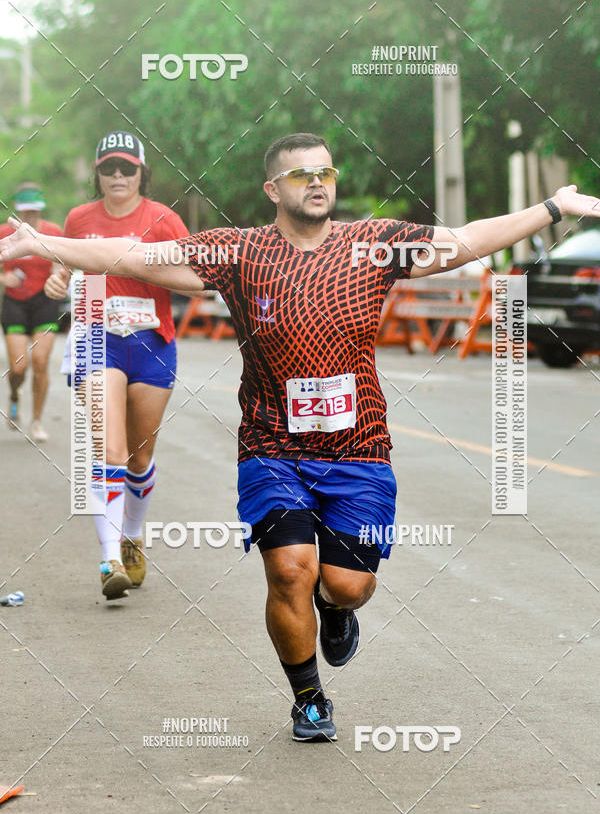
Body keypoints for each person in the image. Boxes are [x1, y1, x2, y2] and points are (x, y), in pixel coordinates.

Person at [3, 132, 599, 739]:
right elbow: (130, 257)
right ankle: (309, 697)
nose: (317, 182)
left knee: (347, 583)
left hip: (359, 446)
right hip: (271, 446)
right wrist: (41, 241)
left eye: (325, 172)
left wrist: (552, 209)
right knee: (290, 570)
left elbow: (468, 240)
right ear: (272, 189)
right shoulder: (238, 252)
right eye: (300, 175)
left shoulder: (373, 243)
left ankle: (338, 611)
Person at [43, 131, 193, 601]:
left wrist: (147, 268)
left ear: (142, 172)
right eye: (109, 168)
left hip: (152, 342)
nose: (118, 177)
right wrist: (56, 277)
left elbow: (196, 275)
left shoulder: (164, 219)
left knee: (139, 458)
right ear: (98, 173)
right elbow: (64, 264)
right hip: (95, 339)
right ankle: (109, 558)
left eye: (127, 168)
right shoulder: (79, 218)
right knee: (110, 449)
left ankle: (131, 535)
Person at [0, 183, 63, 442]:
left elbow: (64, 265)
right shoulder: (4, 232)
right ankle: (14, 395)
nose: (30, 218)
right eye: (25, 212)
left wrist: (59, 275)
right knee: (18, 367)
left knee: (39, 361)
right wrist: (3, 278)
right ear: (18, 211)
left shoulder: (53, 232)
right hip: (15, 303)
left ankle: (36, 420)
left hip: (45, 303)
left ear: (41, 210)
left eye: (34, 212)